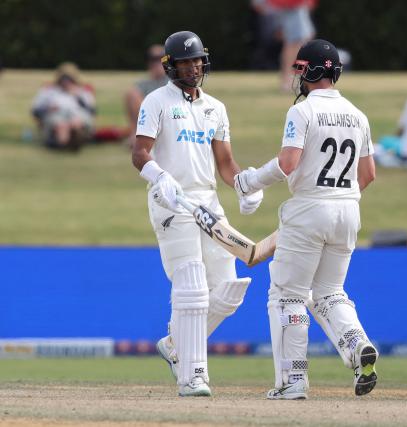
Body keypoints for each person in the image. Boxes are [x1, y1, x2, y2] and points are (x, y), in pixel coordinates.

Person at [234, 39, 378, 399]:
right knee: (330, 292)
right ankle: (358, 345)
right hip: (349, 209)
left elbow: (288, 163)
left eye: (299, 70)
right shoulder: (358, 115)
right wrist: (338, 198)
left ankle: (292, 381)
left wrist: (249, 181)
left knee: (287, 296)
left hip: (309, 208)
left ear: (311, 71)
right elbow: (369, 174)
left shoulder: (302, 112)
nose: (297, 77)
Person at [131, 31, 264, 397]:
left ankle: (176, 345)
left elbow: (225, 163)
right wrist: (159, 176)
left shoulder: (216, 108)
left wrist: (244, 186)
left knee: (228, 290)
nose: (192, 68)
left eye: (197, 61)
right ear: (170, 66)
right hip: (171, 200)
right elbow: (140, 153)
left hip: (209, 203)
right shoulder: (156, 101)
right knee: (190, 286)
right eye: (185, 62)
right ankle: (193, 374)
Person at [31, 62, 96, 151]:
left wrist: (78, 98)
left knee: (76, 123)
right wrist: (48, 109)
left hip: (78, 115)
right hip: (55, 115)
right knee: (61, 125)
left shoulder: (82, 91)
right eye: (64, 78)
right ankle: (65, 143)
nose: (66, 82)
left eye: (69, 79)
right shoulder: (48, 91)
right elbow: (35, 111)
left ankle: (73, 140)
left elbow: (92, 110)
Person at [124, 44, 169, 146]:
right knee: (132, 94)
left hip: (168, 117)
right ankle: (138, 134)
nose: (157, 62)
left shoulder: (174, 81)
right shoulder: (144, 84)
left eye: (160, 58)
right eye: (153, 59)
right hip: (149, 119)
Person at [269, 0, 316, 91]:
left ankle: (295, 78)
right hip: (292, 7)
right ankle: (288, 80)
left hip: (297, 7)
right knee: (293, 44)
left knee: (301, 43)